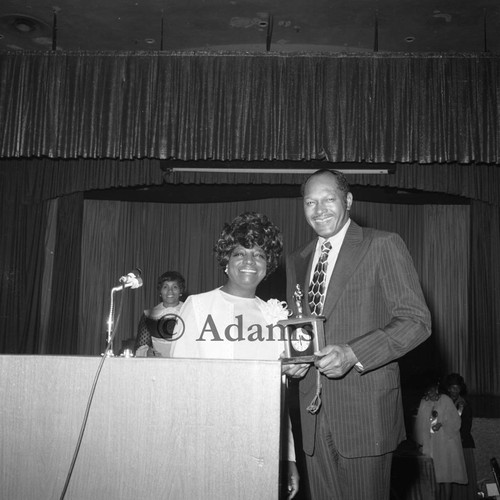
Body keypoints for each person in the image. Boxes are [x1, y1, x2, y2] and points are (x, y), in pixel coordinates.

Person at [283, 169, 432, 500]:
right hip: (312, 414)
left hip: (365, 413)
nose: (319, 209)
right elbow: (304, 330)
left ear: (348, 200)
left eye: (328, 199)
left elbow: (416, 321)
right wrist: (298, 361)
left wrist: (352, 353)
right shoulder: (297, 259)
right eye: (310, 202)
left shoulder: (382, 244)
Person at [171, 211, 299, 499]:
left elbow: (280, 394)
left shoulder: (275, 316)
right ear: (226, 261)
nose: (249, 262)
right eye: (240, 253)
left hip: (262, 442)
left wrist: (288, 456)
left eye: (259, 255)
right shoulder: (197, 306)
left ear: (269, 265)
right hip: (204, 440)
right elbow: (177, 382)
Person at [414, 377, 467, 499]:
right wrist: (421, 442)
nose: (430, 394)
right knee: (434, 477)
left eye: (432, 391)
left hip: (445, 444)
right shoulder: (424, 401)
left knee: (446, 476)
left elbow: (456, 421)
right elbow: (420, 424)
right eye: (427, 392)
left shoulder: (445, 400)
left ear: (436, 388)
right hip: (431, 444)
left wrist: (442, 423)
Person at [134, 270, 185, 357]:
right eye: (165, 287)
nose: (170, 291)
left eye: (175, 287)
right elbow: (140, 347)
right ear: (160, 292)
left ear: (181, 291)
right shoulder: (149, 315)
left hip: (185, 365)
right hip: (157, 366)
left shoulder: (190, 311)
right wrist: (148, 353)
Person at [444, 372, 478, 499]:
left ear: (460, 389)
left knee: (463, 473)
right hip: (448, 444)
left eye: (457, 388)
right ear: (448, 389)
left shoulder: (464, 404)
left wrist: (456, 440)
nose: (455, 390)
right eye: (452, 387)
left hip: (462, 445)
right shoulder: (443, 403)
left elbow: (466, 427)